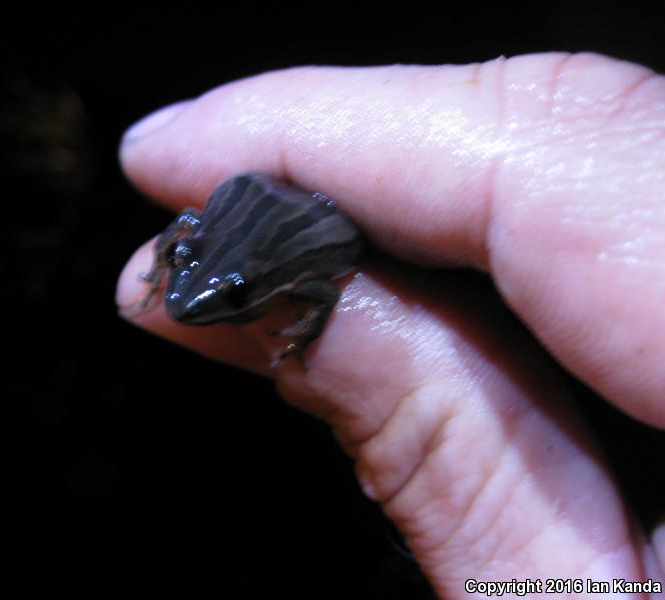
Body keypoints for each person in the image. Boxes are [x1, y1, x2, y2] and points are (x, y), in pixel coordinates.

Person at [116, 52, 664, 597]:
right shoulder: (201, 244)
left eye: (235, 292)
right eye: (184, 262)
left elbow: (322, 292)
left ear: (256, 285)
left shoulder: (292, 278)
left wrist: (301, 332)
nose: (186, 299)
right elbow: (189, 224)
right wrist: (172, 263)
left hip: (294, 230)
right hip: (253, 213)